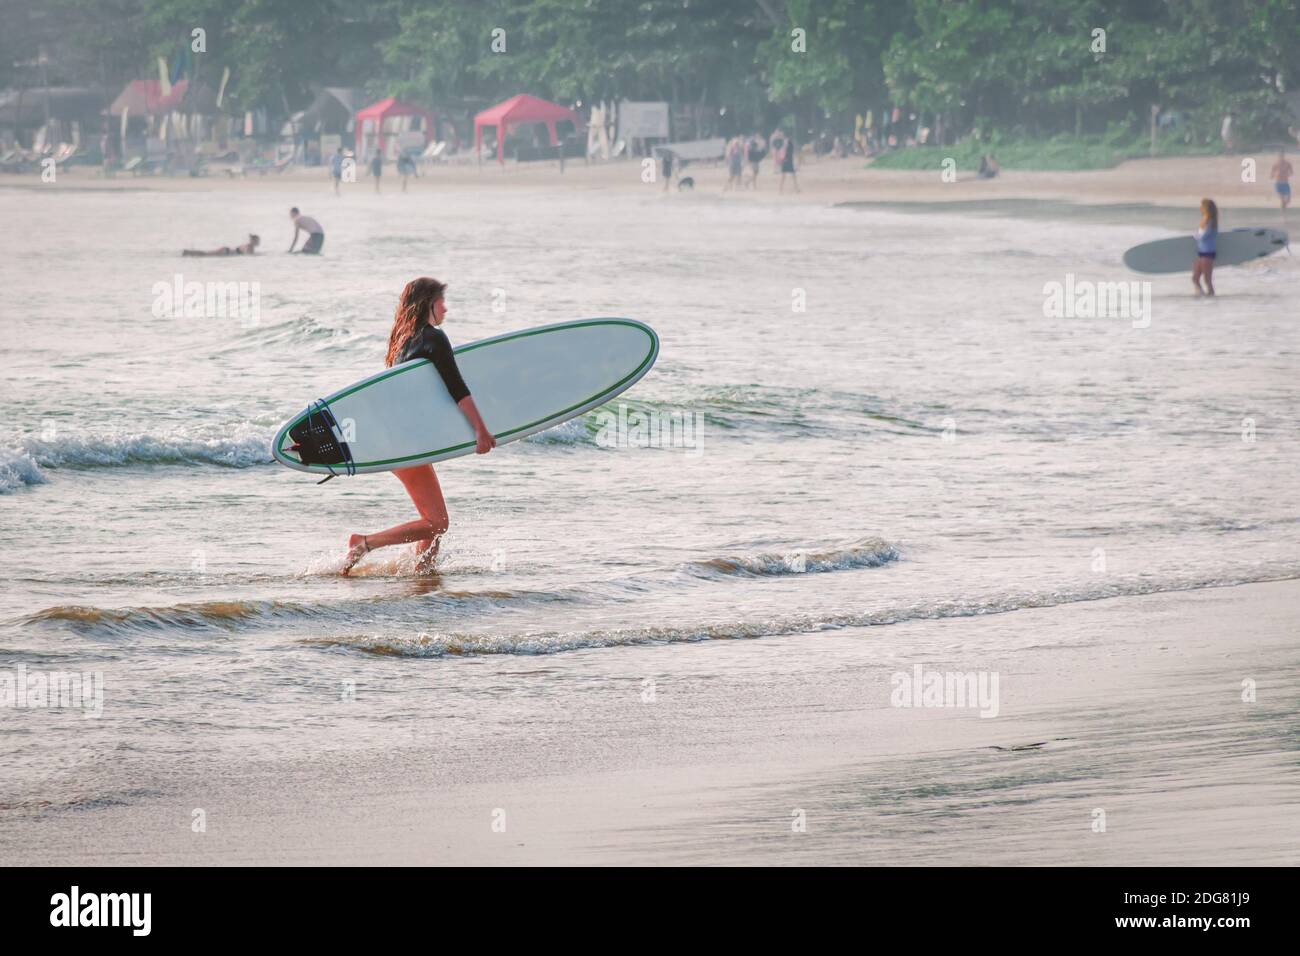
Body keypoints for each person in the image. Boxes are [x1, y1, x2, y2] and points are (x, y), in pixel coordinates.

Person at [341, 277, 496, 575]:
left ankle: (421, 579)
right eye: (442, 302)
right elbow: (456, 387)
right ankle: (363, 543)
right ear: (429, 303)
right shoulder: (433, 338)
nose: (446, 308)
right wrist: (480, 429)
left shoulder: (403, 340)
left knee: (431, 524)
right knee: (437, 522)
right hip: (403, 441)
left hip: (394, 437)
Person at [1193, 198, 1218, 297]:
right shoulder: (1205, 220)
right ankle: (1202, 297)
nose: (1200, 208)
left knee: (1207, 280)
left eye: (1201, 206)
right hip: (1201, 252)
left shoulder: (1211, 221)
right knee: (1195, 278)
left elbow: (1203, 236)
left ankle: (1211, 298)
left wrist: (1195, 236)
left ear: (1206, 208)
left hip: (1208, 253)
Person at [183, 234, 260, 257]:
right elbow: (246, 255)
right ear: (253, 241)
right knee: (205, 254)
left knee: (206, 254)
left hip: (226, 251)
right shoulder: (250, 247)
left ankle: (188, 252)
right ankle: (188, 252)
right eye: (257, 240)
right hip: (225, 252)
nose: (258, 242)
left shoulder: (249, 246)